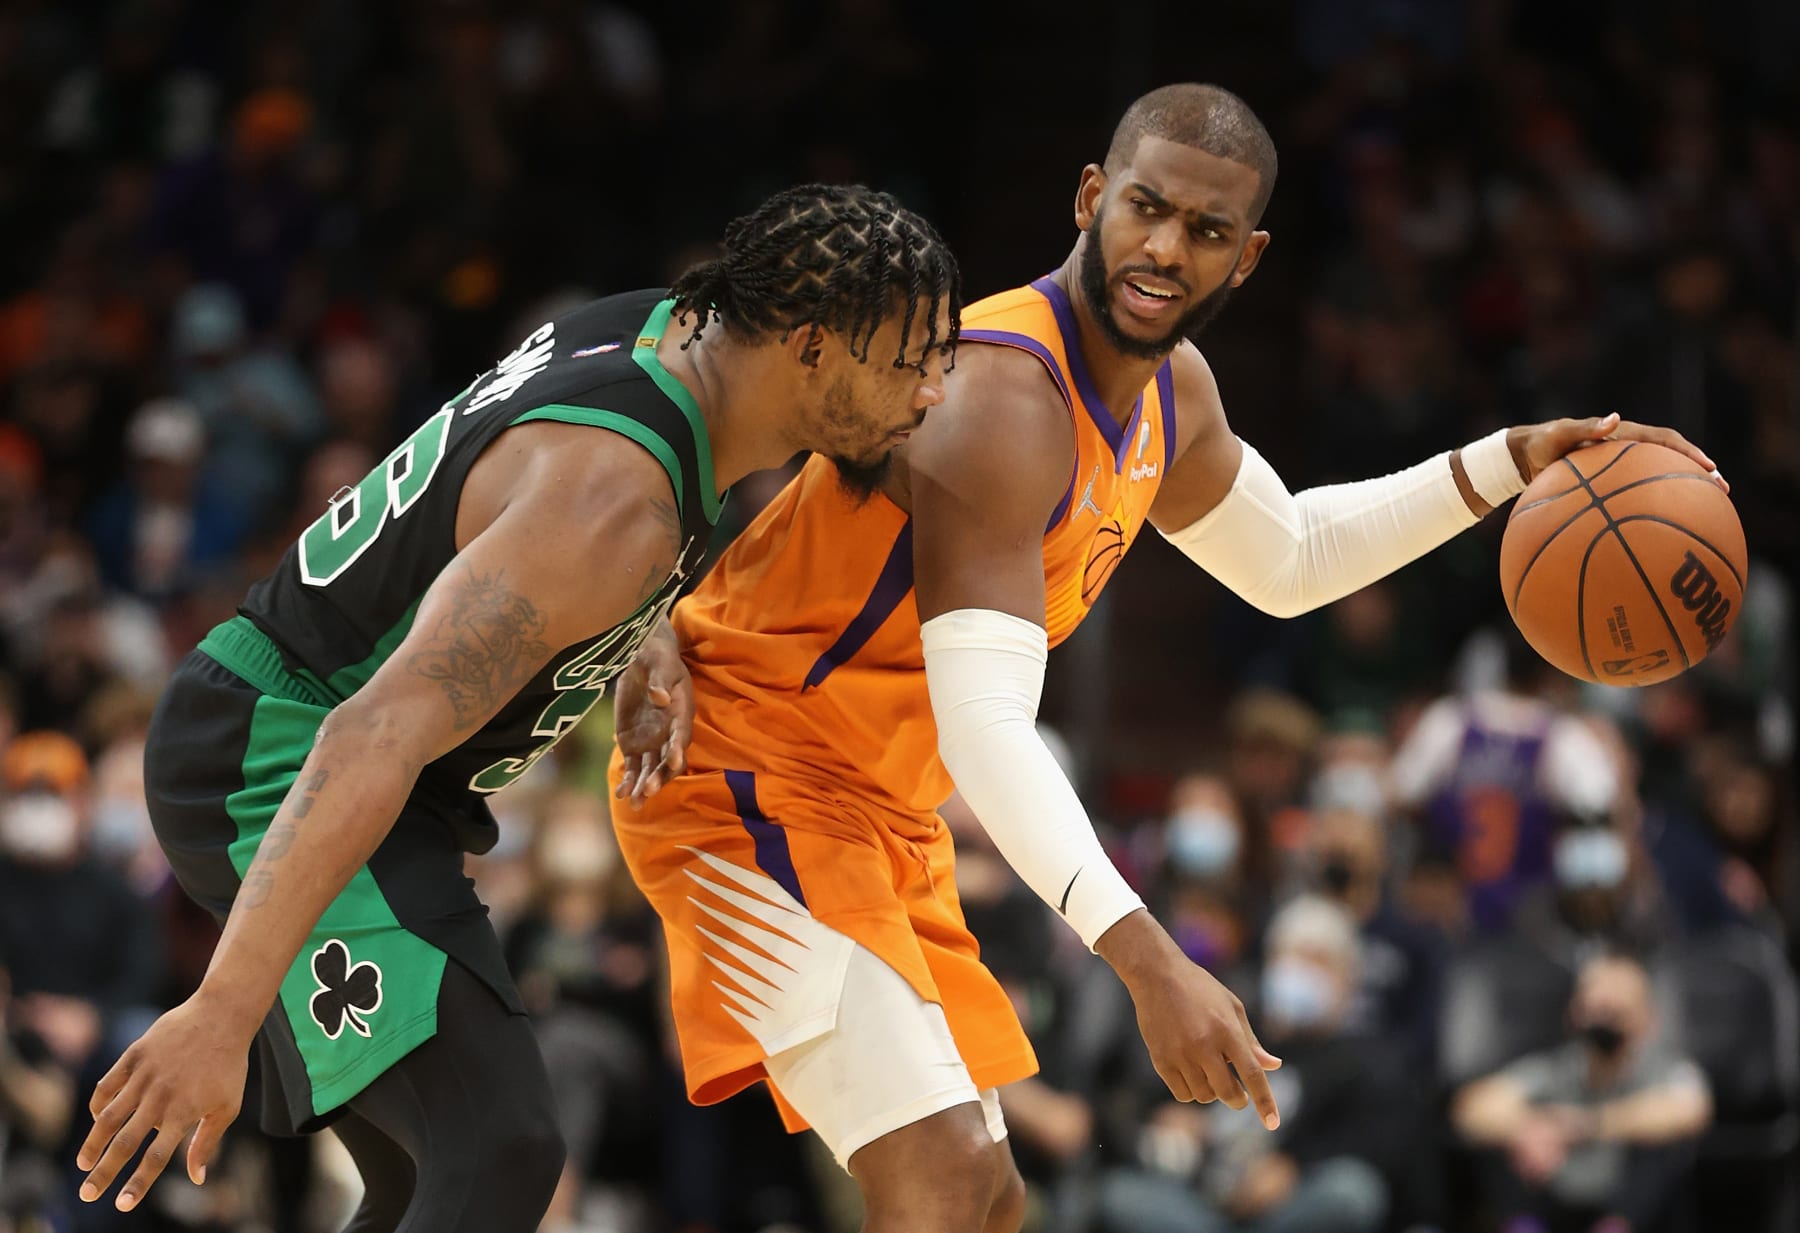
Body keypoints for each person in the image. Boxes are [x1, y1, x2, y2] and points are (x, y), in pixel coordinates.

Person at [611, 82, 1721, 1233]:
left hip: (872, 809)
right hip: (743, 773)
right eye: (1145, 208)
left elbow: (1290, 559)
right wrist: (1150, 961)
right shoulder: (1001, 395)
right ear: (1091, 196)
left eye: (1206, 232)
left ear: (1247, 257)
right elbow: (988, 729)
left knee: (986, 1201)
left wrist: (1510, 462)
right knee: (939, 1181)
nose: (1164, 249)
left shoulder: (1170, 395)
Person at [75, 183, 962, 1233]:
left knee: (432, 1175)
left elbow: (505, 504)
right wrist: (220, 1015)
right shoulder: (612, 509)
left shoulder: (663, 328)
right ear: (811, 347)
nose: (932, 394)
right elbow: (377, 730)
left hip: (300, 739)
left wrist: (644, 632)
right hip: (288, 755)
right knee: (503, 1148)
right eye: (911, 359)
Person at [1452, 952, 1712, 1233]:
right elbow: (1472, 1108)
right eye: (1595, 1010)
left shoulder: (1665, 1068)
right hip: (1558, 1194)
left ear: (1647, 1018)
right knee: (1500, 1137)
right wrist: (1528, 1128)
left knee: (1665, 1146)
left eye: (1615, 1013)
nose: (1603, 1023)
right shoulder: (1558, 1067)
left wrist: (1587, 1125)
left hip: (1627, 1204)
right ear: (1575, 1014)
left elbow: (1692, 1109)